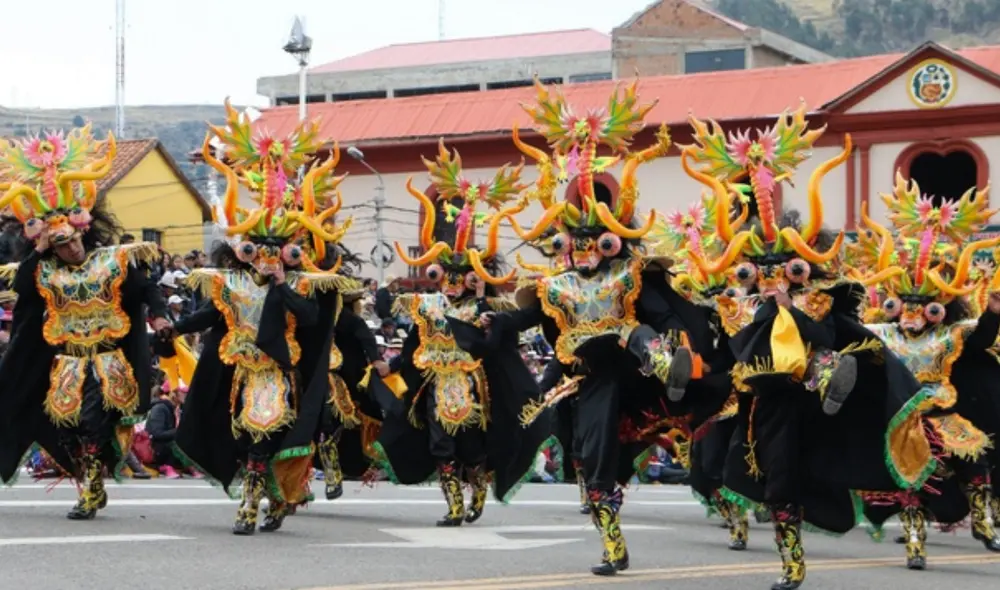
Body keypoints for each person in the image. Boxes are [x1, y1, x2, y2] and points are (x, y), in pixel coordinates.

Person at [483, 78, 727, 576]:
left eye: (599, 242)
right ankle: (614, 546)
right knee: (594, 461)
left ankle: (670, 369)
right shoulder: (556, 286)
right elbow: (527, 317)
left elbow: (660, 313)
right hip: (588, 377)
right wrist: (497, 319)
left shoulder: (631, 275)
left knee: (636, 334)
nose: (588, 251)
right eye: (578, 243)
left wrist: (676, 341)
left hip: (632, 366)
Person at [680, 105, 929, 590]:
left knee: (826, 379)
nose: (774, 279)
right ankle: (792, 566)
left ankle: (831, 378)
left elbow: (828, 333)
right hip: (764, 402)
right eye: (762, 272)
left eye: (787, 271)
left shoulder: (815, 299)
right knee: (778, 485)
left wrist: (790, 310)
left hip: (810, 394)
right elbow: (735, 351)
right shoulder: (740, 307)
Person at [164, 100, 353, 535]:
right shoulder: (233, 284)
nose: (266, 258)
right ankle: (259, 498)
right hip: (241, 373)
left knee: (265, 440)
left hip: (278, 373)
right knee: (246, 440)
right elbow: (211, 315)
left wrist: (283, 285)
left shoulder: (298, 286)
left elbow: (310, 318)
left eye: (275, 251)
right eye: (258, 250)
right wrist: (175, 326)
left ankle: (255, 504)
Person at [373, 140, 548, 529]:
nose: (451, 285)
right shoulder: (427, 306)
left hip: (471, 389)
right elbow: (410, 338)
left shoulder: (485, 309)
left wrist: (483, 300)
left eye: (460, 278)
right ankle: (454, 505)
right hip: (435, 386)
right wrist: (393, 360)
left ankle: (478, 486)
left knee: (471, 448)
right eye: (445, 277)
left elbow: (492, 345)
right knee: (440, 446)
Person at [0, 125, 173, 519]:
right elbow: (23, 289)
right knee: (66, 427)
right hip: (67, 363)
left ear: (85, 231)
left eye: (74, 239)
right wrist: (39, 250)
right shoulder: (45, 272)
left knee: (93, 422)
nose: (72, 248)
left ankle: (92, 490)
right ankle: (89, 477)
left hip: (107, 360)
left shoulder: (112, 261)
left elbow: (146, 288)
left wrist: (161, 316)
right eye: (61, 244)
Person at [849, 179, 1000, 570]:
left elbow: (982, 336)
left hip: (943, 414)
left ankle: (984, 523)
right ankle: (915, 545)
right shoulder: (883, 334)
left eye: (926, 308)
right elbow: (851, 336)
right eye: (905, 306)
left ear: (940, 309)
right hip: (904, 419)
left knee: (975, 462)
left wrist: (993, 311)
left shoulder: (949, 334)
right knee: (910, 482)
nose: (913, 316)